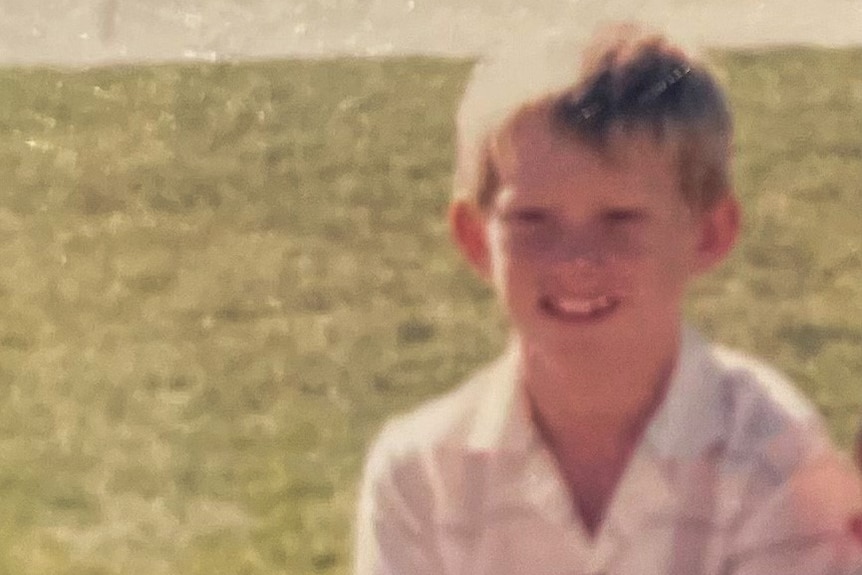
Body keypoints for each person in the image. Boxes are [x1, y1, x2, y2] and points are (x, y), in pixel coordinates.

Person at [354, 23, 862, 575]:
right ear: (475, 238)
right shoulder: (421, 473)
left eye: (621, 220)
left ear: (710, 233)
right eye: (533, 221)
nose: (576, 260)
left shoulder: (774, 452)